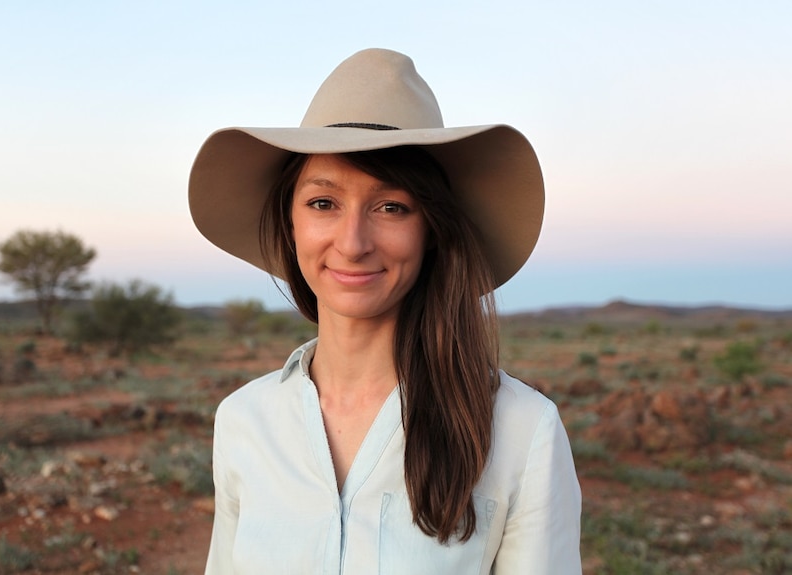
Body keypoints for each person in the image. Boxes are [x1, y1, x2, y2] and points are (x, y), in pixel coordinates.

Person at [189, 48, 582, 575]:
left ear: (432, 230)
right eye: (323, 203)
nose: (353, 244)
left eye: (391, 206)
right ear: (290, 224)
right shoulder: (244, 421)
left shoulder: (520, 430)